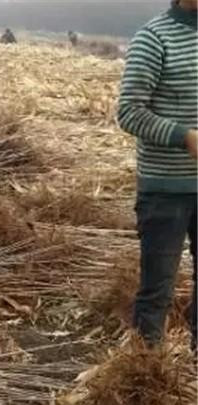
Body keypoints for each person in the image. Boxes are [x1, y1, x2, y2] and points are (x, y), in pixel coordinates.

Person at [117, 0, 197, 347]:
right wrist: (185, 136)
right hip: (165, 192)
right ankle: (146, 369)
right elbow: (129, 112)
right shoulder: (154, 38)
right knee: (157, 291)